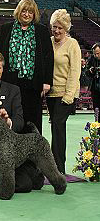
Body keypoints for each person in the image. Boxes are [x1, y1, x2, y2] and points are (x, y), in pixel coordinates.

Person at [0, 49, 45, 193]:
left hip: (10, 152)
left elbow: (20, 120)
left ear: (2, 69)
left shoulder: (13, 90)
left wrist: (8, 122)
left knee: (24, 186)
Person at [0, 0, 54, 134]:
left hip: (33, 84)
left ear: (34, 15)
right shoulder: (5, 29)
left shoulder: (41, 31)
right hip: (10, 83)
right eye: (24, 11)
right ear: (18, 11)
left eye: (30, 12)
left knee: (32, 121)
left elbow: (48, 58)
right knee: (11, 117)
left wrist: (47, 81)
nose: (27, 14)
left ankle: (34, 152)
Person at [46, 9, 81, 174]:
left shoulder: (72, 44)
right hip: (50, 94)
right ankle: (55, 166)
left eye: (60, 27)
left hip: (65, 94)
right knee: (55, 128)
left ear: (66, 28)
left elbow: (75, 71)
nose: (57, 30)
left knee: (58, 128)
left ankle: (59, 170)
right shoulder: (48, 41)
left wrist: (68, 96)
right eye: (54, 27)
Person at [86, 42, 100, 121]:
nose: (96, 56)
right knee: (96, 108)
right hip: (95, 89)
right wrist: (90, 71)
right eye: (95, 54)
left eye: (98, 53)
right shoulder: (91, 59)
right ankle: (97, 126)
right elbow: (87, 73)